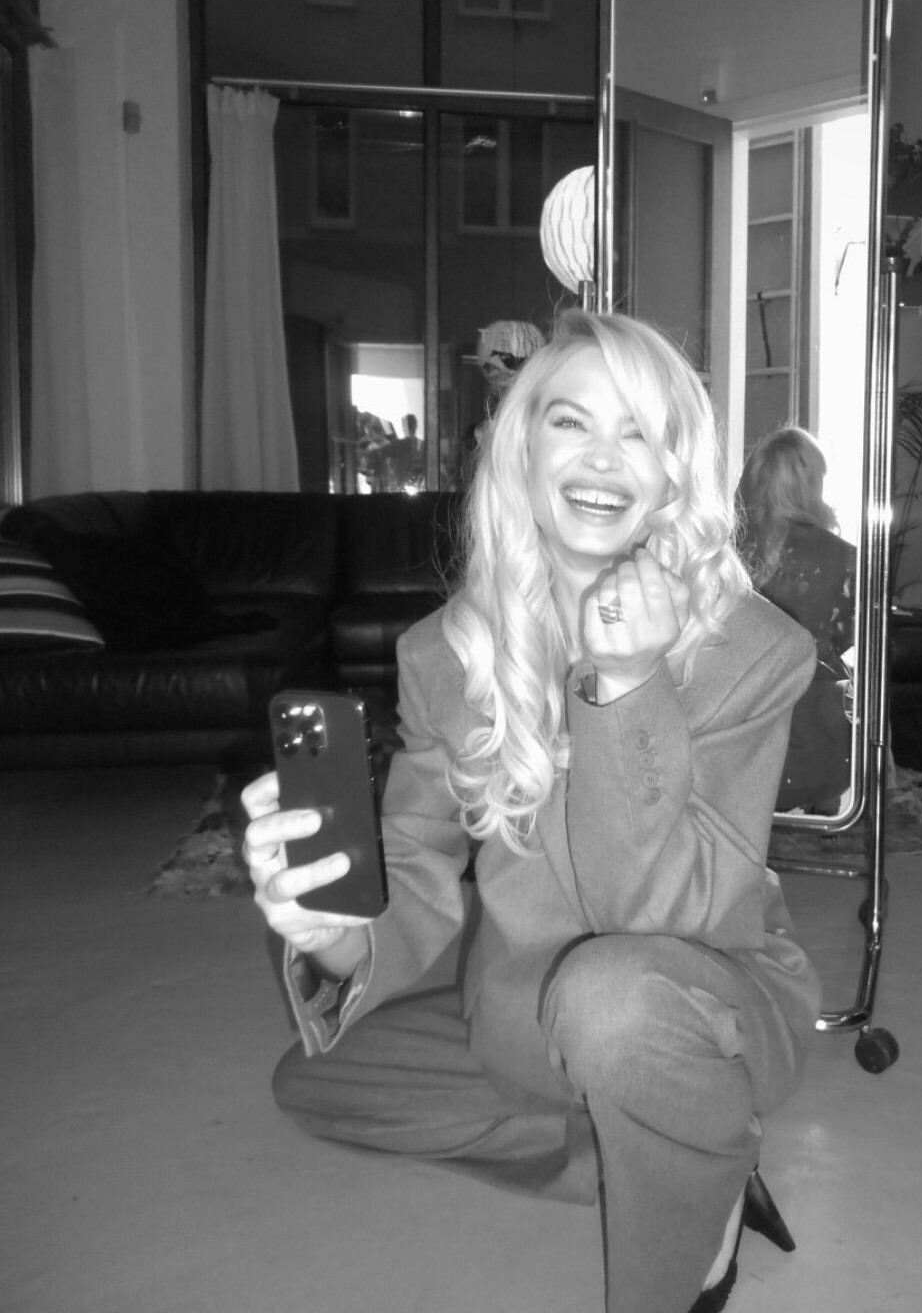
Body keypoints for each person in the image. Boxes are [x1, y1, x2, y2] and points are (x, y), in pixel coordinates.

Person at [241, 310, 821, 1313]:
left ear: (675, 471)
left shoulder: (752, 650)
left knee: (609, 1002)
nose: (602, 458)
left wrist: (625, 684)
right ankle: (675, 1153)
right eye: (571, 422)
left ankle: (685, 1187)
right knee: (314, 1080)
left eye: (639, 431)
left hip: (699, 999)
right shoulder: (444, 653)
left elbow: (663, 914)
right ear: (522, 447)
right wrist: (332, 932)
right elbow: (414, 861)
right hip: (522, 1018)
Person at [737, 426, 857, 815]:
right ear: (812, 484)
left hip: (742, 707)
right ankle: (826, 813)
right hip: (815, 707)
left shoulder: (725, 549)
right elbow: (848, 635)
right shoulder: (844, 556)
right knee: (841, 686)